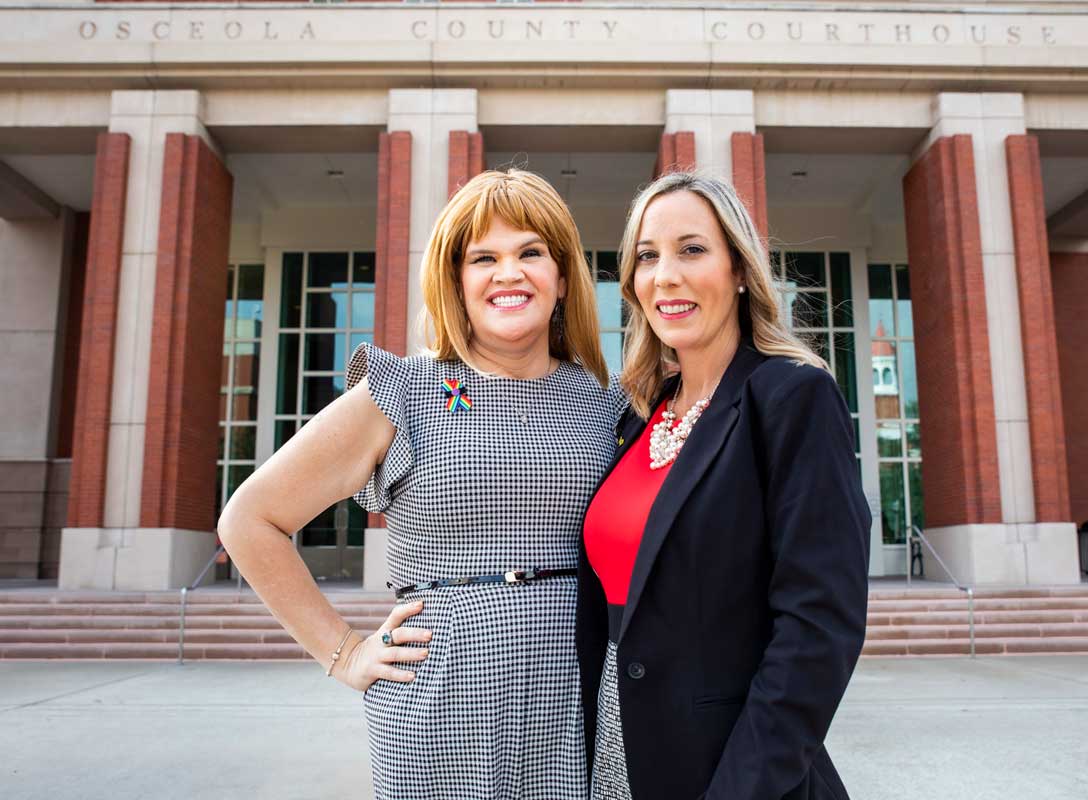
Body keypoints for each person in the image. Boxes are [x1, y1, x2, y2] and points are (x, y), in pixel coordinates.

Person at [219, 169, 623, 800]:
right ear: (456, 281)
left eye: (530, 253)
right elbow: (248, 520)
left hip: (582, 690)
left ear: (564, 276)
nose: (508, 273)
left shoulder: (606, 402)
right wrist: (345, 651)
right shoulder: (404, 392)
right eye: (483, 257)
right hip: (441, 700)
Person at [577, 171, 871, 800]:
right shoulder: (634, 416)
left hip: (737, 773)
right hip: (617, 759)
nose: (666, 276)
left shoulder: (793, 397)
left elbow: (819, 626)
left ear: (739, 268)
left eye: (692, 249)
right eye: (647, 257)